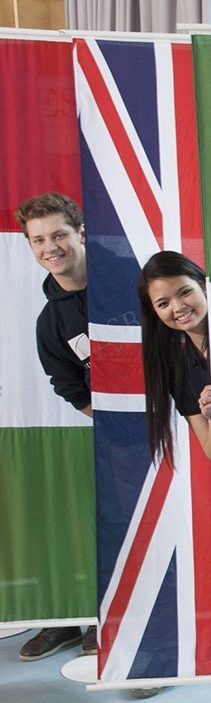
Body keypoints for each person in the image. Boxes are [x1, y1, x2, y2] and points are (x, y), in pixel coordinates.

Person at [15, 192, 94, 662]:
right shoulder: (50, 322)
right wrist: (113, 423)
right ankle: (82, 619)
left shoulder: (134, 280)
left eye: (59, 235)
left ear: (80, 233)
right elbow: (68, 384)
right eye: (39, 240)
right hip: (112, 439)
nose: (51, 247)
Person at [137, 251, 211, 466]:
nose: (178, 307)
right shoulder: (180, 372)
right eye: (163, 303)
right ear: (155, 312)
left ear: (203, 285)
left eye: (185, 292)